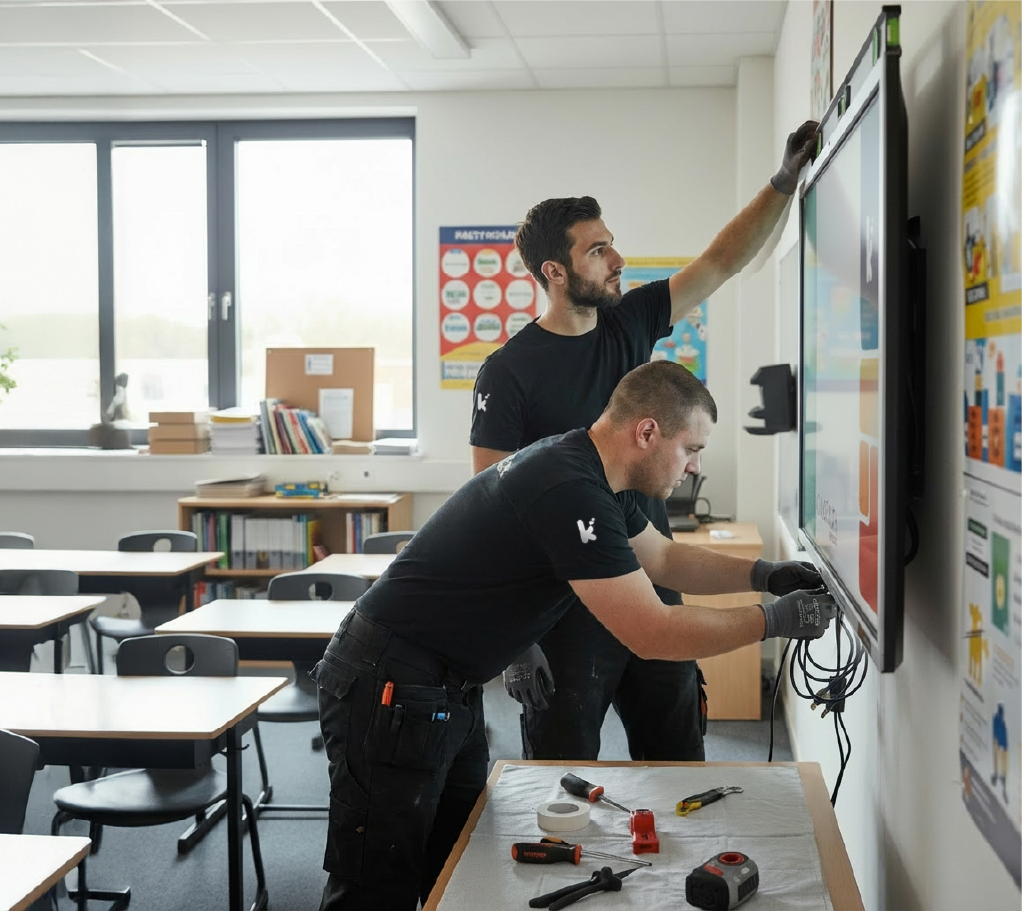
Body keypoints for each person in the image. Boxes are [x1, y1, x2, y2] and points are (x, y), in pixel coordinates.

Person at [313, 361, 834, 910]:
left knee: (457, 864)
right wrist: (776, 621)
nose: (695, 466)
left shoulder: (597, 474)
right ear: (647, 432)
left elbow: (663, 558)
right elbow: (653, 632)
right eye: (691, 448)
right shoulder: (568, 487)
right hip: (391, 681)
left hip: (446, 685)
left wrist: (764, 574)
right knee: (376, 885)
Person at [472, 119, 821, 762]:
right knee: (562, 777)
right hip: (563, 606)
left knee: (678, 763)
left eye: (612, 245)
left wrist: (782, 181)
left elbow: (719, 262)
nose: (618, 260)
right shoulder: (508, 372)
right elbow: (488, 509)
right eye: (598, 250)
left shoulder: (628, 323)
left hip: (649, 568)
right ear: (554, 271)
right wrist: (515, 639)